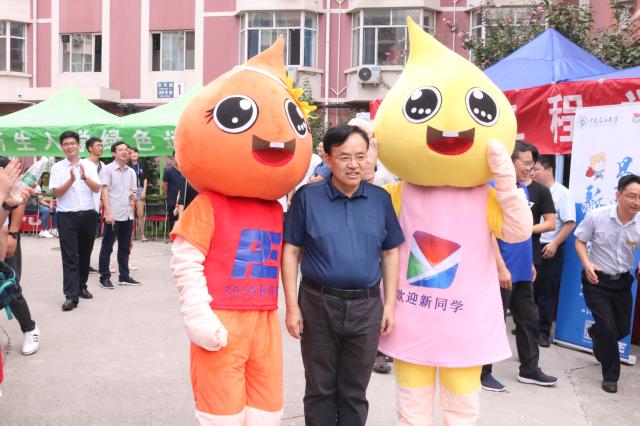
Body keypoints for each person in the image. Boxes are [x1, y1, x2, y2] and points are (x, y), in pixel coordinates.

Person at [282, 124, 404, 426]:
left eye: (361, 156)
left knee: (354, 389)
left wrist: (389, 305)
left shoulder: (380, 199)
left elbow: (390, 252)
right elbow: (292, 251)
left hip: (366, 307)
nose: (354, 164)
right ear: (328, 158)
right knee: (320, 387)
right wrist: (292, 307)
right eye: (345, 157)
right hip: (317, 303)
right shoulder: (308, 198)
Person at [481, 141, 558, 392]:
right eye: (525, 163)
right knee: (494, 320)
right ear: (508, 161)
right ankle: (482, 371)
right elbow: (487, 231)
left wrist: (529, 263)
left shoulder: (521, 189)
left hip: (523, 269)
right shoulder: (491, 187)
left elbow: (522, 230)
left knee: (529, 319)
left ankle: (529, 368)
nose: (529, 168)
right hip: (501, 268)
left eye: (531, 164)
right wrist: (500, 266)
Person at [574, 174, 640, 394]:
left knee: (621, 329)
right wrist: (587, 264)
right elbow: (580, 240)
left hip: (622, 282)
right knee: (609, 329)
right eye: (632, 196)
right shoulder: (597, 216)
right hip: (596, 280)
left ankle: (596, 333)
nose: (636, 202)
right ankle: (611, 376)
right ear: (618, 195)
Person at [50, 131, 102, 311]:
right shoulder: (57, 168)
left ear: (78, 145)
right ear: (62, 147)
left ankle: (81, 287)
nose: (69, 147)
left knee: (85, 254)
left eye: (72, 143)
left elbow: (97, 189)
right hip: (67, 217)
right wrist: (71, 180)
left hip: (88, 215)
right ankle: (71, 296)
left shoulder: (89, 165)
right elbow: (56, 193)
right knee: (70, 257)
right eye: (66, 144)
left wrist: (84, 178)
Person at [532, 155, 576, 347]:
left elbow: (570, 223)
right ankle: (528, 326)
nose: (533, 173)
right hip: (532, 245)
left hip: (550, 248)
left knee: (546, 292)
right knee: (530, 289)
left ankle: (543, 332)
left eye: (536, 169)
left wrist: (555, 244)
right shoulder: (532, 190)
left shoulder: (563, 194)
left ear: (549, 170)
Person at [0, 157, 37, 355]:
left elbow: (17, 199)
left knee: (10, 287)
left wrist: (13, 233)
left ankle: (29, 329)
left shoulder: (4, 165)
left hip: (5, 234)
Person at [97, 141, 140, 288]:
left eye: (126, 149)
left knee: (125, 247)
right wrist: (108, 212)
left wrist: (134, 196)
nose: (125, 152)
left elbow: (134, 191)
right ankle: (104, 278)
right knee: (107, 247)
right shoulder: (107, 170)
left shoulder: (131, 172)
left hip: (127, 214)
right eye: (120, 150)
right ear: (113, 153)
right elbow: (104, 191)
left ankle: (124, 276)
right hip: (113, 214)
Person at [129, 147, 148, 242]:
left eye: (135, 152)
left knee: (140, 214)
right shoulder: (127, 165)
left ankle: (142, 235)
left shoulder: (142, 165)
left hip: (140, 189)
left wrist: (144, 190)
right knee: (129, 213)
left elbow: (145, 179)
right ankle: (130, 234)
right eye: (132, 153)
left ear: (138, 154)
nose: (134, 154)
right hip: (130, 190)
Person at [162, 155, 182, 234]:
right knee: (173, 222)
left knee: (182, 222)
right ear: (174, 158)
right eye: (176, 156)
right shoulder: (169, 171)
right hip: (172, 201)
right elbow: (164, 185)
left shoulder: (185, 170)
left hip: (183, 201)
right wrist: (169, 195)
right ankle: (173, 237)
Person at [37, 172, 57, 238]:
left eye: (48, 178)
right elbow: (40, 200)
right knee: (46, 210)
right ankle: (43, 230)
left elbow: (54, 198)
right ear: (42, 179)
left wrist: (52, 203)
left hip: (50, 203)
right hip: (40, 204)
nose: (47, 179)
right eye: (45, 177)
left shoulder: (52, 188)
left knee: (56, 209)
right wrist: (49, 205)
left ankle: (54, 229)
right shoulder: (39, 187)